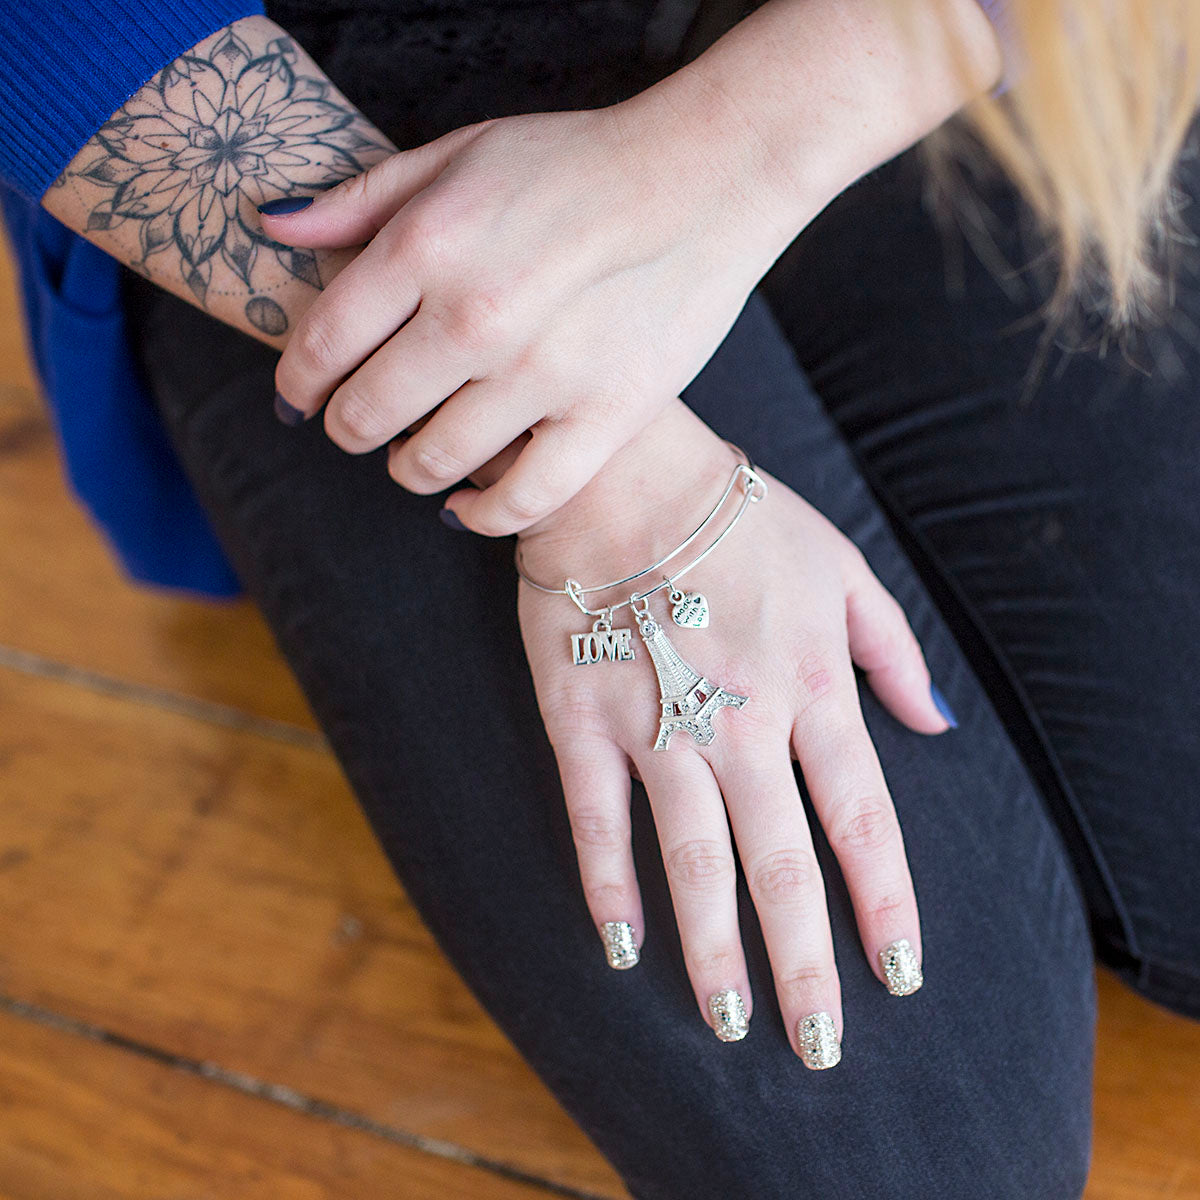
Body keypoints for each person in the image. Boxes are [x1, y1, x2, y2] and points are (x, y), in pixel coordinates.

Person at [2, 0, 1198, 1195]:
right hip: (307, 109)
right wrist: (607, 483)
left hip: (900, 41)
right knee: (920, 1164)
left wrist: (746, 138)